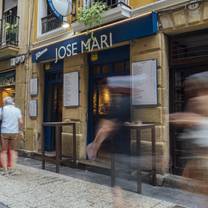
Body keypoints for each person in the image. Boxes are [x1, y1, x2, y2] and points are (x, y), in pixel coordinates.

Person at [170, 72, 208, 189]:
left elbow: (193, 120)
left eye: (190, 85)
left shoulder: (200, 100)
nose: (186, 89)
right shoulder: (194, 101)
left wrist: (180, 118)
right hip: (196, 153)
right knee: (188, 185)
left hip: (203, 154)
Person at [87, 76, 130, 160]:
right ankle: (93, 146)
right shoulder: (118, 102)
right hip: (120, 146)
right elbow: (106, 127)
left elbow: (107, 126)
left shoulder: (121, 101)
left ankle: (93, 146)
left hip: (121, 143)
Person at [0, 96, 23, 175]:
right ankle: (13, 169)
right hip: (14, 132)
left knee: (4, 151)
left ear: (5, 102)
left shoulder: (2, 109)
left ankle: (5, 170)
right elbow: (21, 122)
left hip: (4, 132)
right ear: (12, 102)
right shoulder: (17, 110)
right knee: (13, 151)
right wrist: (20, 130)